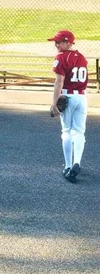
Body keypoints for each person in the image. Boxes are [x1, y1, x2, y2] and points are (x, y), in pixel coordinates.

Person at [48, 30, 88, 183]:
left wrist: (54, 102)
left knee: (66, 131)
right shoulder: (82, 57)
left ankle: (68, 166)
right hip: (82, 97)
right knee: (79, 131)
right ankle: (77, 161)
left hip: (68, 96)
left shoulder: (61, 57)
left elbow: (59, 82)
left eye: (59, 42)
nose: (56, 44)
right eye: (55, 42)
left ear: (68, 43)